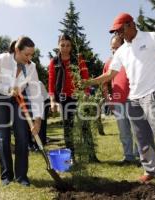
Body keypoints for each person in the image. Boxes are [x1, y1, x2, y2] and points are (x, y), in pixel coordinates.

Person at [85, 13, 155, 190]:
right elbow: (110, 74)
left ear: (131, 24)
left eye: (120, 30)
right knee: (142, 137)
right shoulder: (121, 50)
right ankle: (151, 170)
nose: (119, 34)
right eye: (116, 32)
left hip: (154, 92)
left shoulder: (152, 37)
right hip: (134, 98)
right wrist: (90, 82)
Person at [0, 36, 43, 187]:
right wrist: (8, 89)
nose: (29, 58)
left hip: (19, 98)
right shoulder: (1, 59)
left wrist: (37, 119)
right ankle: (6, 176)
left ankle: (21, 176)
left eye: (32, 54)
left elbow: (35, 93)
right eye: (26, 54)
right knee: (3, 137)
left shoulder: (32, 67)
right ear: (17, 50)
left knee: (22, 135)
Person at [48, 34, 99, 162]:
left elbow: (85, 77)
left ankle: (91, 156)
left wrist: (86, 94)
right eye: (62, 45)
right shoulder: (54, 62)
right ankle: (72, 158)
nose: (65, 48)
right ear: (58, 46)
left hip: (79, 96)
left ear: (71, 46)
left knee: (85, 126)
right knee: (68, 128)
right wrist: (53, 100)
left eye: (68, 45)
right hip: (64, 99)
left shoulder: (78, 59)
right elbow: (51, 82)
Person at [103, 35, 142, 165]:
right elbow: (104, 82)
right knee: (124, 132)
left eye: (117, 47)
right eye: (112, 48)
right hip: (117, 102)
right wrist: (108, 99)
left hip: (133, 100)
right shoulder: (108, 63)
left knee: (138, 130)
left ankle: (141, 156)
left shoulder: (132, 59)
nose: (114, 51)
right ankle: (128, 156)